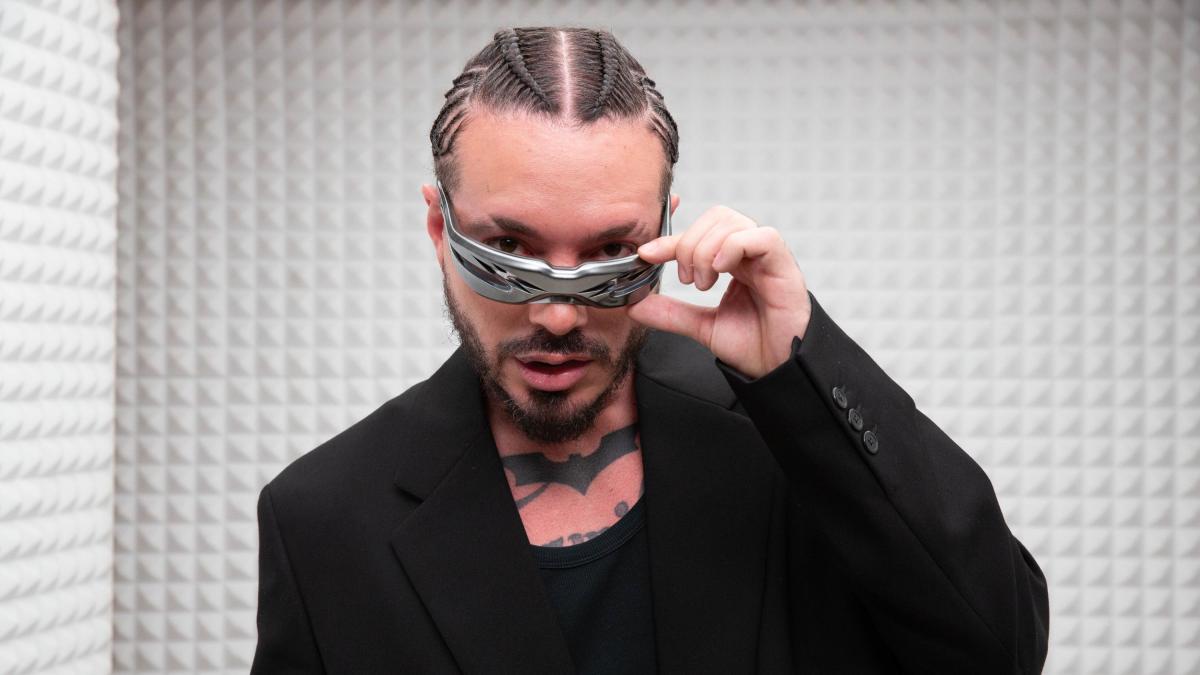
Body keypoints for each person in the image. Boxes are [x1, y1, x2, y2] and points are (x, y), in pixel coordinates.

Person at [251, 27, 1049, 674]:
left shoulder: (789, 451)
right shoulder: (324, 520)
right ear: (439, 229)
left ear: (666, 229)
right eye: (509, 250)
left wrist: (804, 362)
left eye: (610, 254)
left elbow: (1001, 650)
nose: (558, 314)